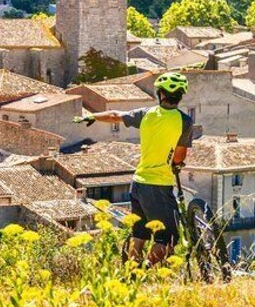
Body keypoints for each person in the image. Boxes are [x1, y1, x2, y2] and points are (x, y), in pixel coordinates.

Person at [76, 72, 193, 264]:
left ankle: (132, 274)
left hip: (138, 183)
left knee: (139, 235)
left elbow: (115, 115)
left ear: (160, 93)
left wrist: (93, 116)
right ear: (181, 95)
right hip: (158, 185)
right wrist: (175, 163)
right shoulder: (184, 121)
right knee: (168, 239)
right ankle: (145, 271)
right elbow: (179, 156)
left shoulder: (146, 114)